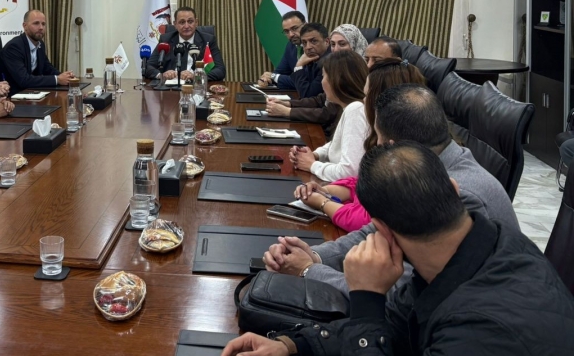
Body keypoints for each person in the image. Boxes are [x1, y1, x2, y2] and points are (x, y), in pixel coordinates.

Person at [224, 141, 574, 356]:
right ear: (454, 190)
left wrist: (367, 300)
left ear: (381, 229)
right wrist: (292, 346)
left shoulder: (480, 329)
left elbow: (379, 328)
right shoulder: (477, 245)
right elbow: (395, 325)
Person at [265, 84, 519, 295]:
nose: (375, 145)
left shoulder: (458, 194)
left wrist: (309, 271)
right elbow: (378, 231)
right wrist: (314, 256)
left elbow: (397, 294)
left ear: (393, 146)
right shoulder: (433, 167)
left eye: (376, 137)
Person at [293, 59, 427, 232]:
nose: (363, 102)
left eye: (366, 96)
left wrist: (322, 202)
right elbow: (360, 182)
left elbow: (365, 219)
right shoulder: (397, 145)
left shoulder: (406, 159)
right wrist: (328, 190)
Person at [265, 23, 368, 136]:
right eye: (333, 44)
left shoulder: (355, 73)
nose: (336, 49)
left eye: (342, 44)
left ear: (355, 45)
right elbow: (320, 99)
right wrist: (288, 104)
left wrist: (287, 111)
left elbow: (328, 112)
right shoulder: (328, 63)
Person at [289, 50, 368, 182]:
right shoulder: (351, 107)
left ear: (337, 81)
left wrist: (312, 165)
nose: (322, 82)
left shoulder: (355, 110)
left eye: (324, 76)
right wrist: (315, 155)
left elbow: (350, 172)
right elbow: (338, 143)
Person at [0, 9, 74, 94]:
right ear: (25, 26)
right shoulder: (14, 47)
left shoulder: (40, 44)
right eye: (36, 23)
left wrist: (64, 77)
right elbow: (23, 80)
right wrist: (57, 79)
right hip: (13, 95)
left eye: (43, 24)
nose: (41, 27)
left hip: (32, 92)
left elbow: (47, 68)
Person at [144, 6, 226, 81]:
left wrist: (196, 76)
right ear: (175, 24)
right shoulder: (166, 40)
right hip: (170, 87)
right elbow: (148, 66)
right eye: (182, 22)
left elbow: (220, 70)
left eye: (190, 21)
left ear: (196, 22)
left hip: (196, 86)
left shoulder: (208, 40)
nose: (186, 26)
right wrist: (161, 75)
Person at [258, 11, 305, 90]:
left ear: (305, 25)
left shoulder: (315, 48)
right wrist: (267, 78)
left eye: (294, 28)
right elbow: (280, 72)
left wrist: (274, 76)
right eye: (286, 31)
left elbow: (304, 81)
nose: (291, 34)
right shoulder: (291, 46)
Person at [291, 23, 330, 99]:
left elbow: (308, 95)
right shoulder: (311, 59)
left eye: (314, 41)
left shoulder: (329, 62)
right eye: (304, 42)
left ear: (327, 42)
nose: (308, 47)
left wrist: (298, 66)